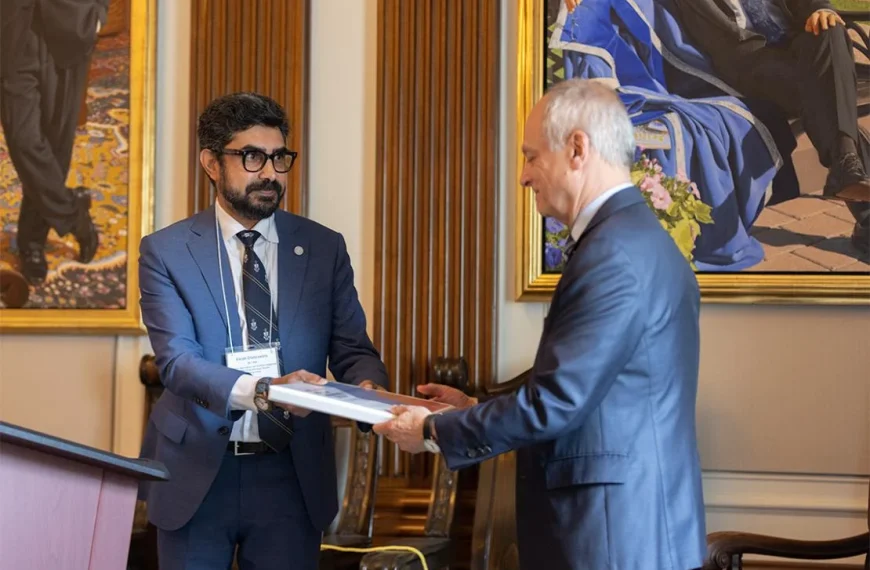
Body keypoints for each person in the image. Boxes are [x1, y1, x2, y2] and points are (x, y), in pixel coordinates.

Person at [374, 79, 707, 570]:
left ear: (577, 148)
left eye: (532, 156)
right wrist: (473, 407)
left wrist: (434, 429)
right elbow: (585, 388)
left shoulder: (614, 253)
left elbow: (557, 401)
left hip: (611, 536)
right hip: (627, 528)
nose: (524, 175)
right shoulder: (632, 240)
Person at [138, 92, 389, 570]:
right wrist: (268, 390)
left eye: (279, 158)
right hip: (198, 469)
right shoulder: (166, 252)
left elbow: (353, 347)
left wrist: (368, 391)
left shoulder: (322, 248)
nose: (270, 173)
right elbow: (177, 363)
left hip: (290, 474)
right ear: (211, 163)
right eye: (252, 157)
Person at [661, 0, 870, 250]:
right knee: (828, 98)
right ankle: (849, 175)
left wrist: (820, 9)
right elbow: (717, 38)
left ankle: (846, 169)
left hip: (795, 43)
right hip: (751, 61)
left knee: (831, 30)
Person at [0, 0, 103, 283]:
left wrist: (98, 14)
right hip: (12, 31)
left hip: (71, 28)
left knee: (57, 147)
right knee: (23, 140)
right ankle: (72, 213)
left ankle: (31, 243)